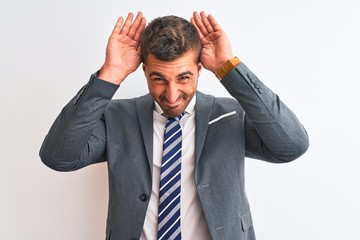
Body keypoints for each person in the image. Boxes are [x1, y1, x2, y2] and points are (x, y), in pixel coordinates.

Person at [40, 11, 309, 240]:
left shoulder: (230, 115)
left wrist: (229, 68)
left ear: (200, 69)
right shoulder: (116, 117)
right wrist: (110, 73)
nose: (171, 94)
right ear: (144, 70)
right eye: (158, 78)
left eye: (184, 77)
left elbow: (291, 145)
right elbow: (58, 157)